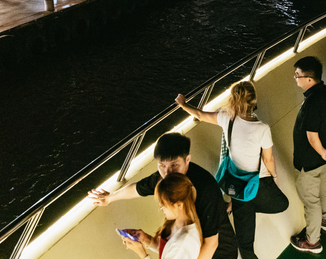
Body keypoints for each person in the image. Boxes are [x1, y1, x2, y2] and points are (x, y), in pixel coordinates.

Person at [174, 81, 289, 259]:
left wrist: (183, 104)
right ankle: (239, 207)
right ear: (253, 101)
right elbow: (268, 159)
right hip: (256, 184)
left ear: (233, 101)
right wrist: (274, 176)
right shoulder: (262, 129)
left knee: (245, 244)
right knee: (281, 203)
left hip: (237, 187)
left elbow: (200, 114)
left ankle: (238, 207)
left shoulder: (226, 118)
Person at [87, 133, 239, 259]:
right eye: (162, 166)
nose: (167, 172)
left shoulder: (205, 187)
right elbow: (138, 188)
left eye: (174, 165)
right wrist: (110, 198)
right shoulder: (167, 180)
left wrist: (143, 254)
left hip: (220, 253)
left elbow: (211, 243)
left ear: (187, 160)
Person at [290, 56, 326, 254]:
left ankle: (312, 242)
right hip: (322, 157)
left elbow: (311, 136)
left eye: (298, 75)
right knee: (325, 186)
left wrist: (322, 151)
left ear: (309, 79)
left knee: (311, 202)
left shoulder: (311, 102)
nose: (295, 78)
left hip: (309, 160)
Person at [120, 173, 202, 259]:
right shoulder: (175, 222)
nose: (161, 208)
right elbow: (167, 250)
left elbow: (174, 251)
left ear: (179, 205)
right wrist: (147, 239)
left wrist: (142, 253)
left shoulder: (183, 244)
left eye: (164, 205)